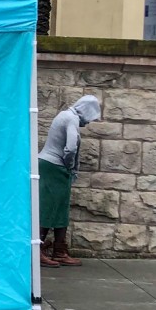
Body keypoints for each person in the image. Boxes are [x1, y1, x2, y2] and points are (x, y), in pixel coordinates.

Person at [38, 95, 101, 268]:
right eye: (90, 117)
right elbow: (71, 147)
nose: (88, 123)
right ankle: (37, 250)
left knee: (59, 207)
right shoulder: (72, 118)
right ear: (86, 110)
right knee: (49, 207)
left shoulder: (66, 115)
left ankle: (59, 250)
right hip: (54, 167)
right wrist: (69, 165)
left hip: (50, 166)